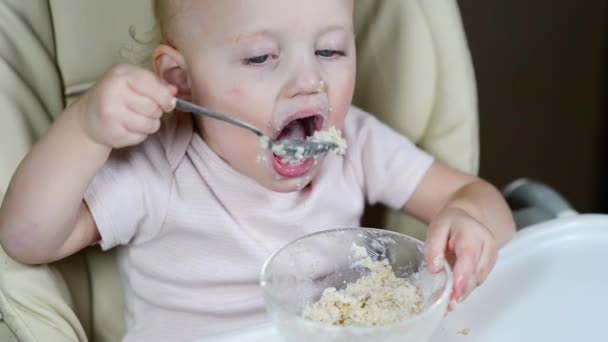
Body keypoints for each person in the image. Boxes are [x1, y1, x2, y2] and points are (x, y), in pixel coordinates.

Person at [0, 0, 515, 340]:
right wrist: (86, 130)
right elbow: (27, 238)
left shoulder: (353, 143)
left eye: (331, 49)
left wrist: (470, 219)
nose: (309, 79)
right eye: (262, 57)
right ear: (183, 80)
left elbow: (481, 200)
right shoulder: (159, 167)